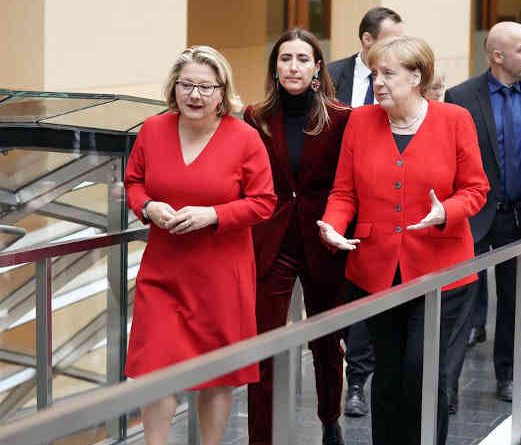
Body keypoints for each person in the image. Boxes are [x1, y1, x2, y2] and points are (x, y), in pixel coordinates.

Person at [319, 35, 489, 445]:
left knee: (422, 372)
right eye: (375, 73)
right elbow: (344, 192)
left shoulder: (454, 120)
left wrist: (445, 211)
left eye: (388, 73)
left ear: (416, 76)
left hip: (441, 273)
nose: (378, 81)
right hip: (377, 271)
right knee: (389, 373)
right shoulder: (360, 122)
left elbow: (476, 189)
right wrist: (332, 225)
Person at [124, 46, 276, 445]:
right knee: (154, 368)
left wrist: (214, 215)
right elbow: (133, 183)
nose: (195, 95)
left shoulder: (244, 139)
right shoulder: (152, 129)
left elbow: (264, 202)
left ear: (223, 92)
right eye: (187, 85)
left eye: (206, 87)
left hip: (220, 275)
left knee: (215, 372)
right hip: (163, 271)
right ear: (173, 88)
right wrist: (148, 206)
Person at [444, 21, 521, 404]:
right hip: (474, 218)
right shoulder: (461, 96)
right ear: (497, 55)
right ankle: (447, 384)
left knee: (517, 302)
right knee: (461, 304)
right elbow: (447, 162)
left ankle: (507, 376)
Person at [244, 28, 350, 445]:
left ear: (317, 66)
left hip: (322, 240)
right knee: (264, 344)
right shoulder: (255, 117)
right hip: (272, 241)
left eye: (302, 59)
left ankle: (330, 421)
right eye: (285, 58)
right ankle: (260, 437)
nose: (293, 66)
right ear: (275, 66)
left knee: (327, 341)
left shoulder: (339, 117)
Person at [326, 5, 403, 418]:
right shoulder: (331, 75)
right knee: (336, 295)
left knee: (367, 293)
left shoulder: (401, 79)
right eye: (390, 39)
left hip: (379, 203)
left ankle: (356, 380)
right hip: (334, 202)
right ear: (368, 41)